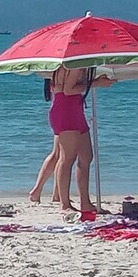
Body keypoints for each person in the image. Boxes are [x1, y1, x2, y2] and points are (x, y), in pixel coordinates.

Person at [46, 66, 114, 213]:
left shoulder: (80, 64)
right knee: (67, 158)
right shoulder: (74, 64)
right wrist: (96, 83)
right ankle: (64, 204)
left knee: (86, 156)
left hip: (76, 111)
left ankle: (85, 202)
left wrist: (95, 80)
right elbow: (68, 90)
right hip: (65, 112)